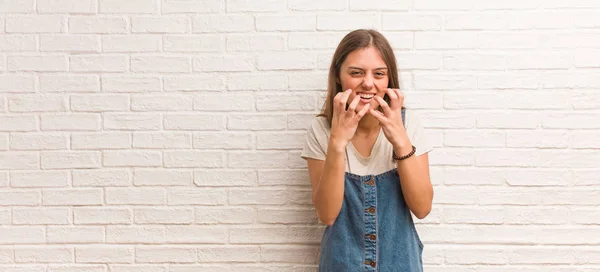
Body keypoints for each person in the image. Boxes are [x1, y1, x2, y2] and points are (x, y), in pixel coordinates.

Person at [300, 29, 434, 272]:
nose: (369, 83)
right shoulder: (321, 129)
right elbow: (327, 214)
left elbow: (422, 208)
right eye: (356, 73)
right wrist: (337, 143)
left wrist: (401, 141)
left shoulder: (409, 124)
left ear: (389, 79)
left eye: (379, 74)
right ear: (339, 76)